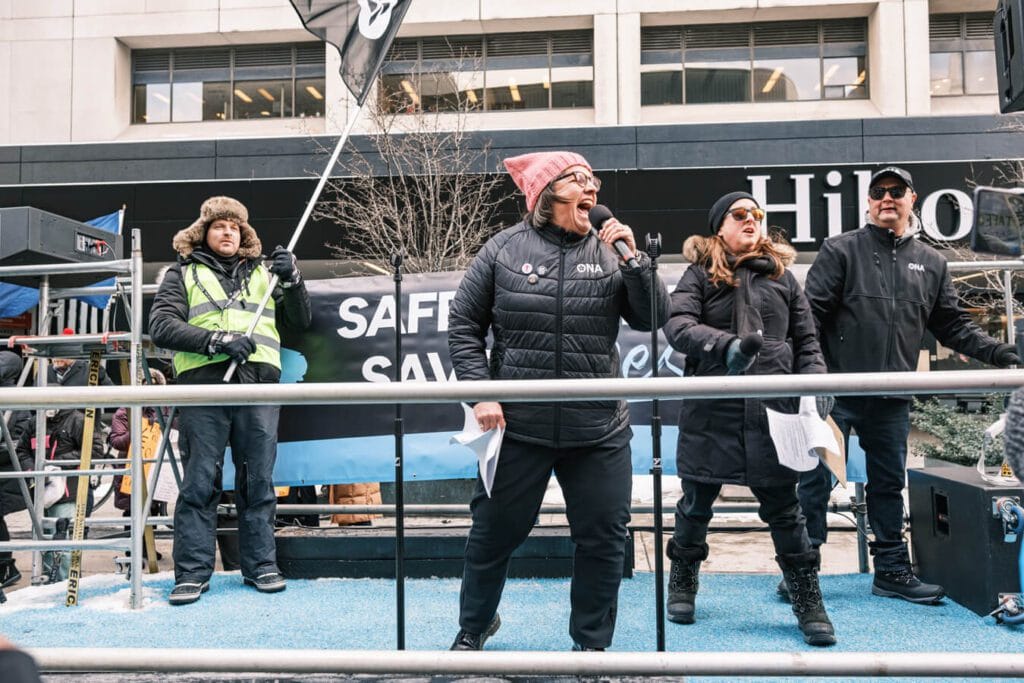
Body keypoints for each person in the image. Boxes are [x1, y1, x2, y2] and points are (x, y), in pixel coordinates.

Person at [447, 151, 668, 652]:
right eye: (578, 180)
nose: (592, 190)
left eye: (594, 180)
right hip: (519, 427)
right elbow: (463, 326)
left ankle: (591, 647)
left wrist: (634, 262)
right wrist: (481, 392)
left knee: (604, 539)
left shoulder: (613, 251)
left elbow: (654, 317)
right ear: (547, 195)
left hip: (598, 430)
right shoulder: (502, 249)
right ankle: (473, 627)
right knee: (493, 532)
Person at [800, 166, 1021, 604]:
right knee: (816, 480)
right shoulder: (839, 250)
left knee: (886, 484)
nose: (887, 198)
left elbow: (953, 327)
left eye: (896, 191)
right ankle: (801, 570)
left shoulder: (933, 262)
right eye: (878, 191)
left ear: (911, 199)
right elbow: (808, 320)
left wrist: (1000, 353)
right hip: (836, 392)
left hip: (892, 395)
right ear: (868, 201)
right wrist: (814, 379)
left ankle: (891, 570)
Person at [661, 192, 836, 647]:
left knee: (784, 509)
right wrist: (726, 348)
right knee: (696, 503)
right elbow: (677, 326)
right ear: (720, 226)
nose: (752, 221)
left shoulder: (784, 277)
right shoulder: (699, 274)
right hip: (712, 411)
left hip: (773, 413)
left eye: (758, 215)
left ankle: (808, 600)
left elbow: (807, 341)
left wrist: (817, 385)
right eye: (741, 215)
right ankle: (682, 582)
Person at [149, 196, 311, 605]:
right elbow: (162, 326)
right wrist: (215, 341)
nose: (228, 232)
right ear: (203, 231)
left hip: (258, 380)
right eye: (220, 225)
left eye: (235, 227)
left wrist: (293, 281)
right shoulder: (180, 273)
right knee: (199, 480)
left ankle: (261, 566)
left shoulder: (266, 273)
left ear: (245, 234)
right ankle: (191, 572)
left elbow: (300, 321)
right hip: (204, 382)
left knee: (258, 479)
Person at [15, 405, 106, 582]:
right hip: (42, 491)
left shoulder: (78, 421)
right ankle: (51, 583)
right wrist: (35, 468)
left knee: (64, 545)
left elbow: (95, 451)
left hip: (68, 492)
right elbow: (22, 450)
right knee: (44, 542)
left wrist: (56, 463)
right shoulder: (35, 422)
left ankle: (65, 585)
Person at [107, 368, 169, 521]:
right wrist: (139, 430)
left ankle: (147, 544)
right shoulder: (125, 412)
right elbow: (116, 441)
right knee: (131, 514)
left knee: (152, 513)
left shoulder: (167, 410)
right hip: (130, 470)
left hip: (156, 466)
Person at [0, 351, 34, 588]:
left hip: (7, 471)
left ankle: (5, 566)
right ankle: (6, 566)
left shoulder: (13, 399)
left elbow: (17, 439)